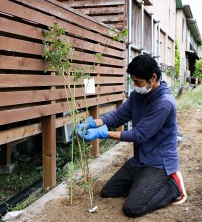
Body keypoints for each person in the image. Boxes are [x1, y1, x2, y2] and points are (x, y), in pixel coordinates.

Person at [76, 54, 187, 218]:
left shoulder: (164, 103)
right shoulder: (139, 95)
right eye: (133, 81)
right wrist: (93, 123)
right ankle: (144, 186)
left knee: (132, 208)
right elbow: (118, 116)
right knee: (108, 191)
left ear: (153, 77)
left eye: (138, 82)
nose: (135, 86)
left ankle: (174, 187)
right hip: (141, 159)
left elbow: (139, 135)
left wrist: (103, 133)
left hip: (159, 162)